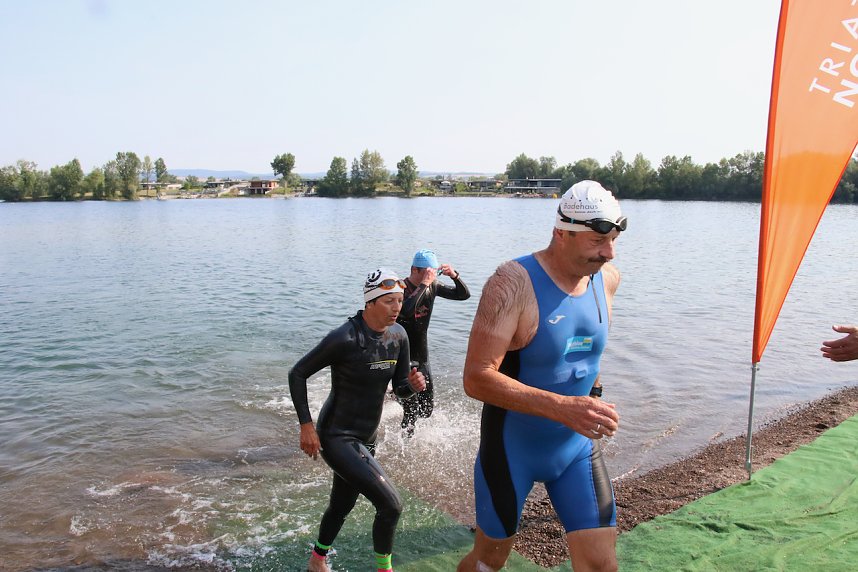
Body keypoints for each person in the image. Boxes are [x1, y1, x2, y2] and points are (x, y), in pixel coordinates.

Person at [457, 180, 626, 572]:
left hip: (575, 448)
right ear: (561, 234)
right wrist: (562, 406)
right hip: (513, 448)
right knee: (488, 562)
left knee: (602, 566)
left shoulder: (607, 279)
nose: (609, 252)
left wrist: (591, 399)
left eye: (614, 239)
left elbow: (585, 355)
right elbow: (476, 378)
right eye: (597, 241)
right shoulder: (512, 283)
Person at [288, 268, 426, 572]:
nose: (396, 308)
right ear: (371, 302)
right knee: (391, 505)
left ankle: (317, 560)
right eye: (389, 301)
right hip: (336, 436)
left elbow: (400, 389)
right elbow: (297, 373)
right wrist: (306, 427)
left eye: (400, 301)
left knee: (342, 504)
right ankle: (384, 569)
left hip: (367, 437)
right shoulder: (345, 337)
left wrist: (412, 388)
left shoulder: (398, 336)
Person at [396, 248, 470, 435]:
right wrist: (424, 285)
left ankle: (394, 395)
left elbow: (463, 295)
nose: (432, 276)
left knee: (426, 410)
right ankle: (403, 450)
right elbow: (405, 311)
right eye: (428, 272)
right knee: (411, 413)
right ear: (415, 270)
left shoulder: (432, 286)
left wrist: (454, 276)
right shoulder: (400, 288)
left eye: (434, 272)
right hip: (401, 357)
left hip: (422, 358)